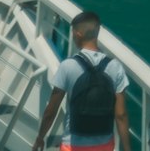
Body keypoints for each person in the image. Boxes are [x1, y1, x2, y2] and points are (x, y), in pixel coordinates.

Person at [30, 10, 131, 151]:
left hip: (73, 145)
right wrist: (127, 149)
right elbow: (121, 115)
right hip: (105, 146)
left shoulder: (68, 66)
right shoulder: (115, 67)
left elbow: (51, 111)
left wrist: (40, 138)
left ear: (78, 34)